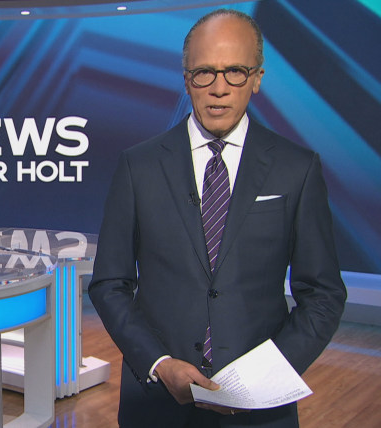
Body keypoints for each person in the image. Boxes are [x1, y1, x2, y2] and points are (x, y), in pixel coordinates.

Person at [88, 8, 347, 428]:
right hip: (157, 405)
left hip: (261, 411)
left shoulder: (297, 169)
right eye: (204, 73)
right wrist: (159, 363)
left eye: (236, 72)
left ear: (257, 78)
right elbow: (110, 284)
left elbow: (323, 294)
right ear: (186, 79)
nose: (219, 88)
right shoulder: (139, 166)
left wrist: (268, 377)